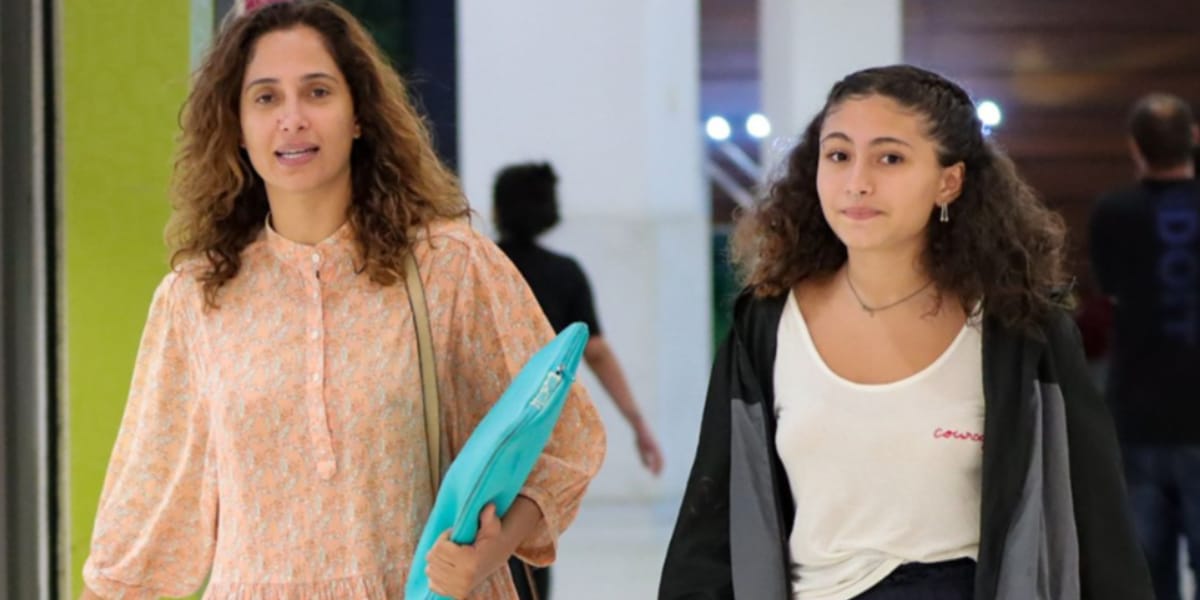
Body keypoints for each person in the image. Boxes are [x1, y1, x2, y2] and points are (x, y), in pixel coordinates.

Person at [79, 2, 605, 599]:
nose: (293, 119)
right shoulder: (197, 297)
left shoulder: (449, 267)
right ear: (237, 126)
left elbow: (567, 437)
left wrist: (493, 549)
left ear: (358, 114)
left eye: (318, 92)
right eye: (266, 98)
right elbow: (146, 510)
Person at [659, 64, 1153, 599]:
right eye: (839, 155)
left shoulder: (1019, 329)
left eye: (890, 158)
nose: (857, 182)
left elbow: (1096, 521)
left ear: (949, 181)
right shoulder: (767, 321)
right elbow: (714, 514)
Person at [491, 162, 665, 599]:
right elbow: (599, 353)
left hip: (479, 426)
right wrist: (638, 425)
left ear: (497, 209)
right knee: (526, 542)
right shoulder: (564, 273)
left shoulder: (483, 265)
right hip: (537, 436)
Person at [1089, 92, 1200, 600]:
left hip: (1137, 413)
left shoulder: (1113, 211)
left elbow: (1110, 292)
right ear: (1194, 139)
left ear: (1135, 148)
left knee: (1148, 574)